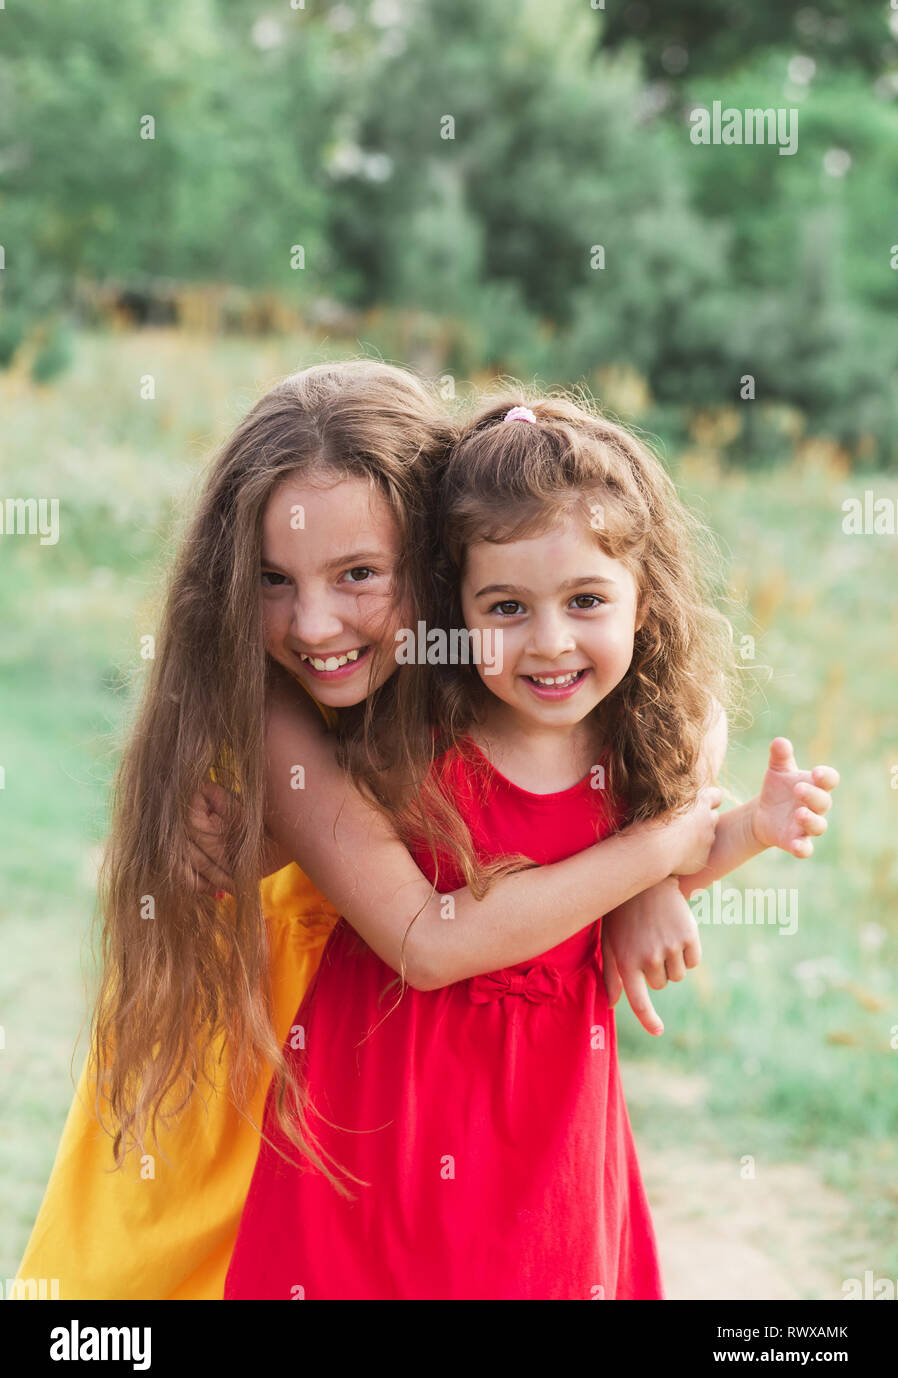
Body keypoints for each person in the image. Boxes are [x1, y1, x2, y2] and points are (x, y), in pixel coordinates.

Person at [15, 362, 719, 1299]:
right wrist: (656, 855)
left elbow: (685, 700)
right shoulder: (274, 710)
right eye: (272, 580)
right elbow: (427, 939)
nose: (313, 624)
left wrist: (647, 884)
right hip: (252, 1085)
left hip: (398, 1102)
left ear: (439, 563)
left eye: (358, 576)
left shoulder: (480, 666)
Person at [223, 393, 838, 1299]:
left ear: (643, 603)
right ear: (450, 605)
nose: (548, 643)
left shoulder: (630, 749)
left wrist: (739, 833)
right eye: (505, 606)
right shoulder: (418, 728)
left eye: (586, 600)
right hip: (382, 1104)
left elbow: (687, 822)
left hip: (548, 1122)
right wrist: (657, 857)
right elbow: (334, 851)